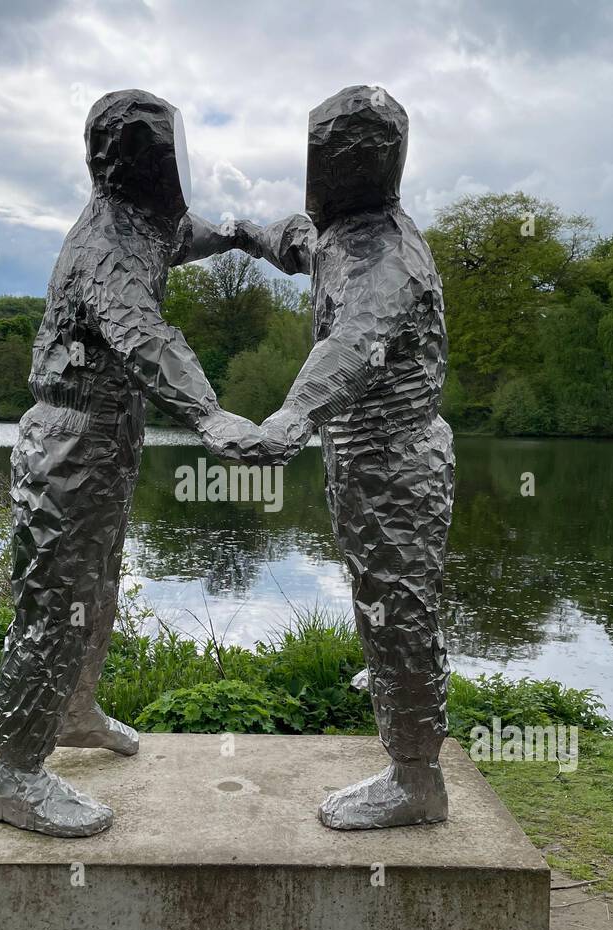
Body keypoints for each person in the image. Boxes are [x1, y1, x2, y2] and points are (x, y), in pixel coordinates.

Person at [0, 89, 257, 837]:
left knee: (97, 588)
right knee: (52, 605)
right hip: (73, 440)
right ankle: (16, 775)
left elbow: (181, 238)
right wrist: (208, 412)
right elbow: (145, 335)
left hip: (108, 439)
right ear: (149, 161)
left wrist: (239, 234)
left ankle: (74, 714)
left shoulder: (137, 223)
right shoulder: (108, 241)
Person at [209, 85, 455, 830]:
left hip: (394, 459)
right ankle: (392, 679)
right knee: (383, 597)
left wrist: (286, 420)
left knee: (402, 610)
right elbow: (295, 240)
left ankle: (416, 776)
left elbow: (349, 347)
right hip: (358, 458)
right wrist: (240, 232)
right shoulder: (342, 235)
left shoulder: (389, 258)